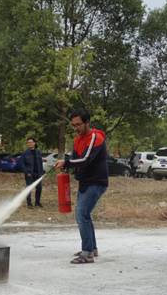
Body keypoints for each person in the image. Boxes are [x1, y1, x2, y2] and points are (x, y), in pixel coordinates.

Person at [54, 109, 108, 265]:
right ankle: (92, 249)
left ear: (87, 122)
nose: (75, 128)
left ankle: (88, 254)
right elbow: (75, 158)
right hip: (85, 182)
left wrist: (66, 162)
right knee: (85, 215)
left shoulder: (95, 137)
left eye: (78, 124)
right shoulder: (78, 139)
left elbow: (85, 159)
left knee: (81, 215)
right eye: (73, 125)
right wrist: (66, 165)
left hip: (96, 182)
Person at [20, 137, 44, 209]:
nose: (29, 144)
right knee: (29, 189)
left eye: (31, 142)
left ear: (34, 143)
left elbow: (40, 163)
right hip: (29, 174)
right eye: (28, 142)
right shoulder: (25, 153)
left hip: (38, 173)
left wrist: (41, 172)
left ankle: (37, 202)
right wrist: (27, 172)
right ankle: (29, 203)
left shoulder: (38, 152)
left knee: (39, 188)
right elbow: (22, 164)